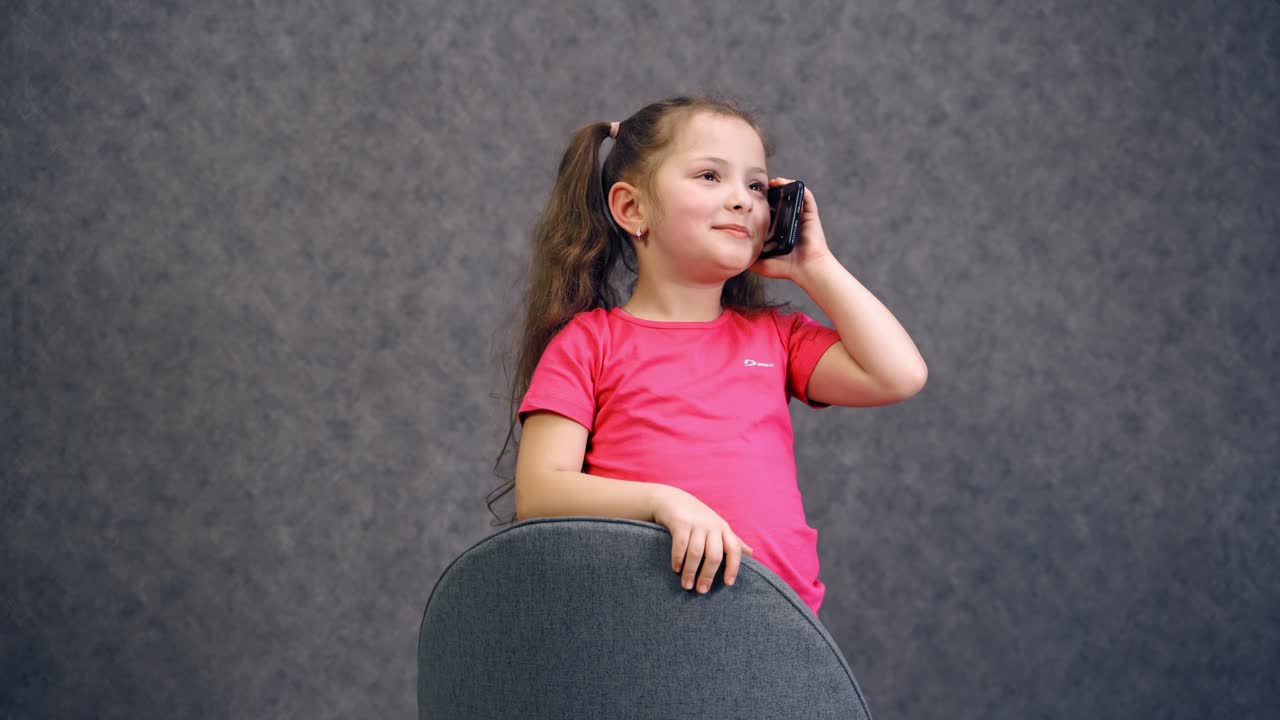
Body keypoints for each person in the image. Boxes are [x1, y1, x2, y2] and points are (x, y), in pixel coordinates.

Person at [488, 95, 927, 615]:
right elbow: (540, 491)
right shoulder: (590, 343)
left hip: (778, 622)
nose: (742, 200)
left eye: (757, 185)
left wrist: (815, 266)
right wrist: (662, 502)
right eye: (710, 177)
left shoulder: (776, 339)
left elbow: (898, 376)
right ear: (632, 208)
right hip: (641, 617)